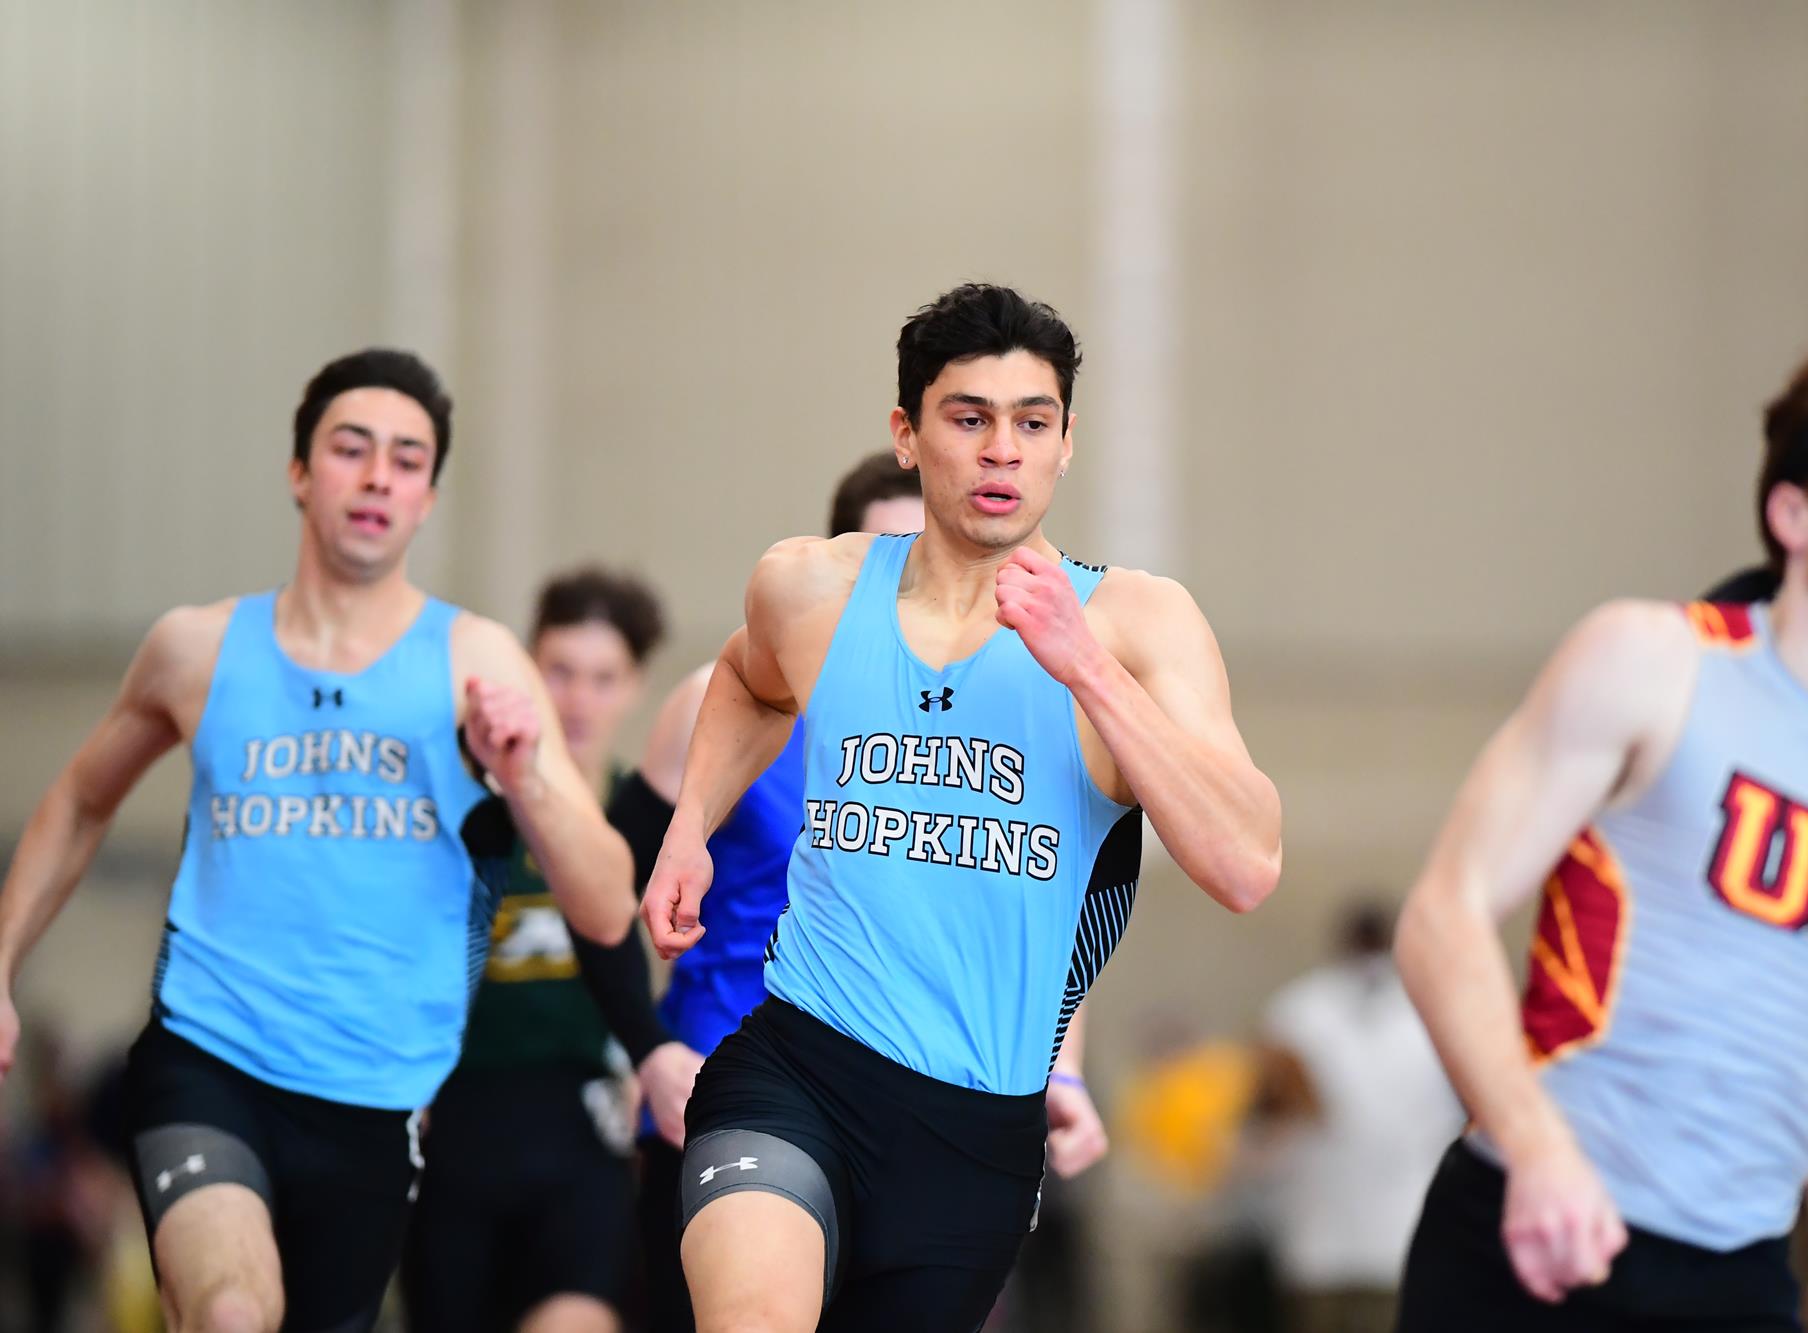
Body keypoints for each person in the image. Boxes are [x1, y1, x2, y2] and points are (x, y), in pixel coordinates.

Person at [642, 282, 1283, 1331]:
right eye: (968, 418)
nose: (1000, 450)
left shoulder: (1137, 622)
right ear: (907, 433)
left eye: (1030, 423)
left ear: (1064, 443)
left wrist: (1087, 672)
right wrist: (687, 830)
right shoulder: (812, 587)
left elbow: (1245, 863)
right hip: (794, 1066)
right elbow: (748, 682)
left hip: (973, 1133)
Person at [0, 349, 633, 1332]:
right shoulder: (197, 649)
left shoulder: (475, 662)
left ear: (427, 498)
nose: (379, 475)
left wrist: (525, 776)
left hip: (374, 1102)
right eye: (351, 448)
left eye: (408, 459)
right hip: (208, 1055)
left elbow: (603, 904)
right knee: (230, 1310)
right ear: (301, 473)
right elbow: (80, 803)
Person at [1392, 335, 1808, 1332]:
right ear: (1790, 513)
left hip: (1739, 1277)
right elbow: (1439, 916)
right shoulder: (1652, 661)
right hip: (1538, 1231)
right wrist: (1535, 1147)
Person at [403, 567, 678, 1333]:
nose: (578, 699)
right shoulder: (470, 816)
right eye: (559, 671)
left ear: (633, 686)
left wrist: (649, 1057)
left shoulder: (648, 818)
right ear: (525, 667)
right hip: (456, 1121)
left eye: (602, 677)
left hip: (583, 1127)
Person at [1254, 904, 1460, 1333]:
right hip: (1323, 1212)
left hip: (1407, 1205)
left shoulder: (1438, 1007)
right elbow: (1273, 1108)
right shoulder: (1298, 1011)